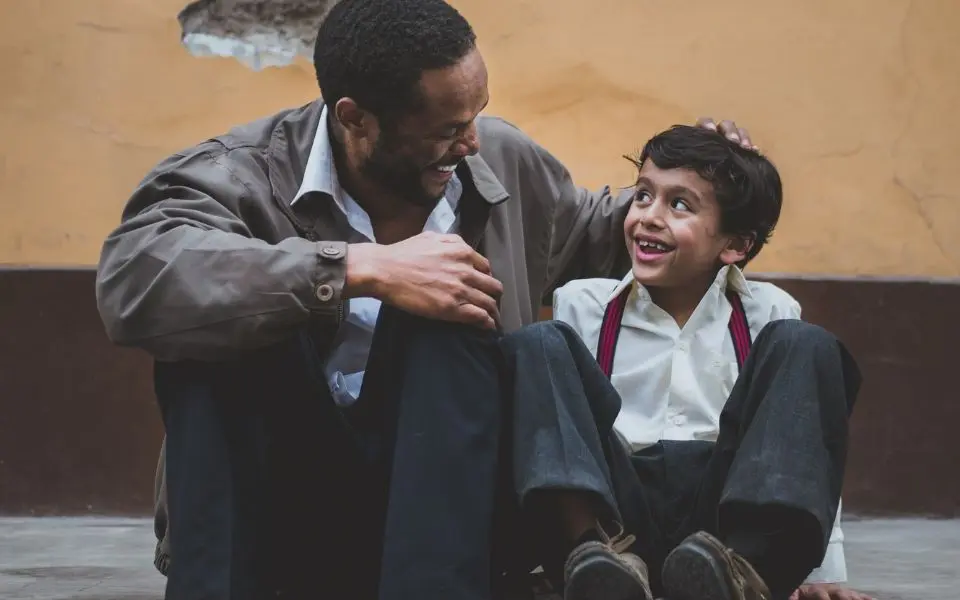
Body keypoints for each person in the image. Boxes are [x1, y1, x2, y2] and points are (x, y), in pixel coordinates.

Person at [95, 0, 757, 598]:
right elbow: (135, 278)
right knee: (224, 330)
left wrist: (707, 191)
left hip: (455, 522)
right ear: (355, 118)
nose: (471, 142)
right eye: (446, 129)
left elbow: (596, 232)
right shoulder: (237, 175)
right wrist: (358, 267)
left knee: (454, 309)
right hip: (283, 516)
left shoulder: (496, 158)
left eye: (475, 114)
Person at [551, 125, 872, 600]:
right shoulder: (582, 304)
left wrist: (823, 569)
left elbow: (804, 440)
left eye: (679, 204)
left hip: (721, 532)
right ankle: (595, 562)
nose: (649, 217)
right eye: (643, 196)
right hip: (618, 524)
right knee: (538, 344)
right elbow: (567, 434)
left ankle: (744, 572)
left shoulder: (770, 312)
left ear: (736, 246)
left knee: (809, 345)